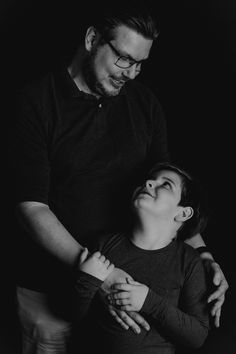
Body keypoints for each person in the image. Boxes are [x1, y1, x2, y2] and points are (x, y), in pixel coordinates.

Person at [9, 3, 228, 353]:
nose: (132, 73)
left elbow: (173, 190)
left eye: (141, 63)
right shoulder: (34, 104)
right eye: (124, 58)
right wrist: (102, 277)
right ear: (92, 39)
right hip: (51, 289)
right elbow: (31, 207)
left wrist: (201, 255)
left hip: (128, 290)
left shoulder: (145, 104)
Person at [74, 162, 210, 353]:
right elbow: (70, 316)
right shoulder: (102, 245)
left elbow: (197, 336)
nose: (148, 183)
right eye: (149, 180)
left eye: (166, 184)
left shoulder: (189, 261)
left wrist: (149, 302)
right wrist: (86, 281)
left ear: (183, 212)